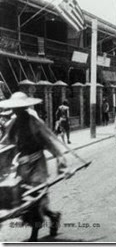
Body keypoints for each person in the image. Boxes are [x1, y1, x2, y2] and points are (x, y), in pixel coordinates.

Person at [0, 92, 72, 241]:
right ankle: (53, 216)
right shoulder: (13, 123)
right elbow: (7, 143)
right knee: (24, 200)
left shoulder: (34, 122)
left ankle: (34, 236)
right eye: (14, 109)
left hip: (37, 164)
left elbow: (49, 141)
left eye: (18, 109)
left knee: (35, 199)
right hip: (22, 165)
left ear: (24, 108)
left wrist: (60, 159)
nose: (15, 111)